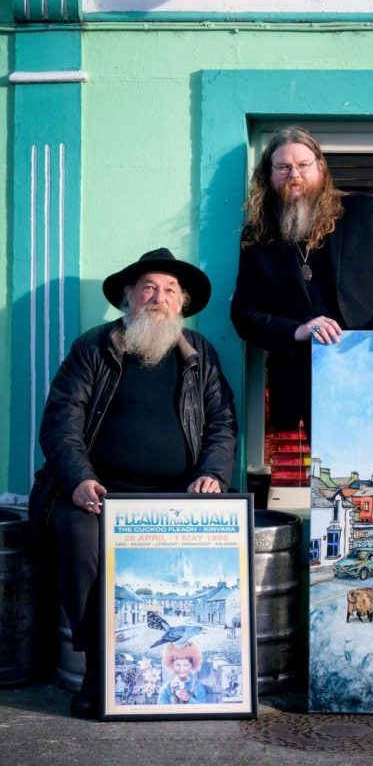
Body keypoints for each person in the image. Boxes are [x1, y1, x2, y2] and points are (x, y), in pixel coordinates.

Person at [29, 248, 238, 718]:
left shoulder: (201, 355)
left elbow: (223, 423)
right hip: (98, 495)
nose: (157, 298)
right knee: (80, 541)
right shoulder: (94, 347)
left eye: (168, 290)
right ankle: (96, 670)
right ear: (128, 297)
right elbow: (61, 421)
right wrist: (80, 479)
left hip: (175, 498)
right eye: (147, 288)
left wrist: (212, 473)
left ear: (181, 303)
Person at [230, 125, 373, 442]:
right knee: (329, 482)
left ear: (321, 168)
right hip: (306, 382)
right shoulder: (258, 237)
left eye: (302, 165)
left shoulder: (363, 212)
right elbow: (243, 314)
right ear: (269, 175)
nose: (293, 174)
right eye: (283, 167)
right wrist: (297, 330)